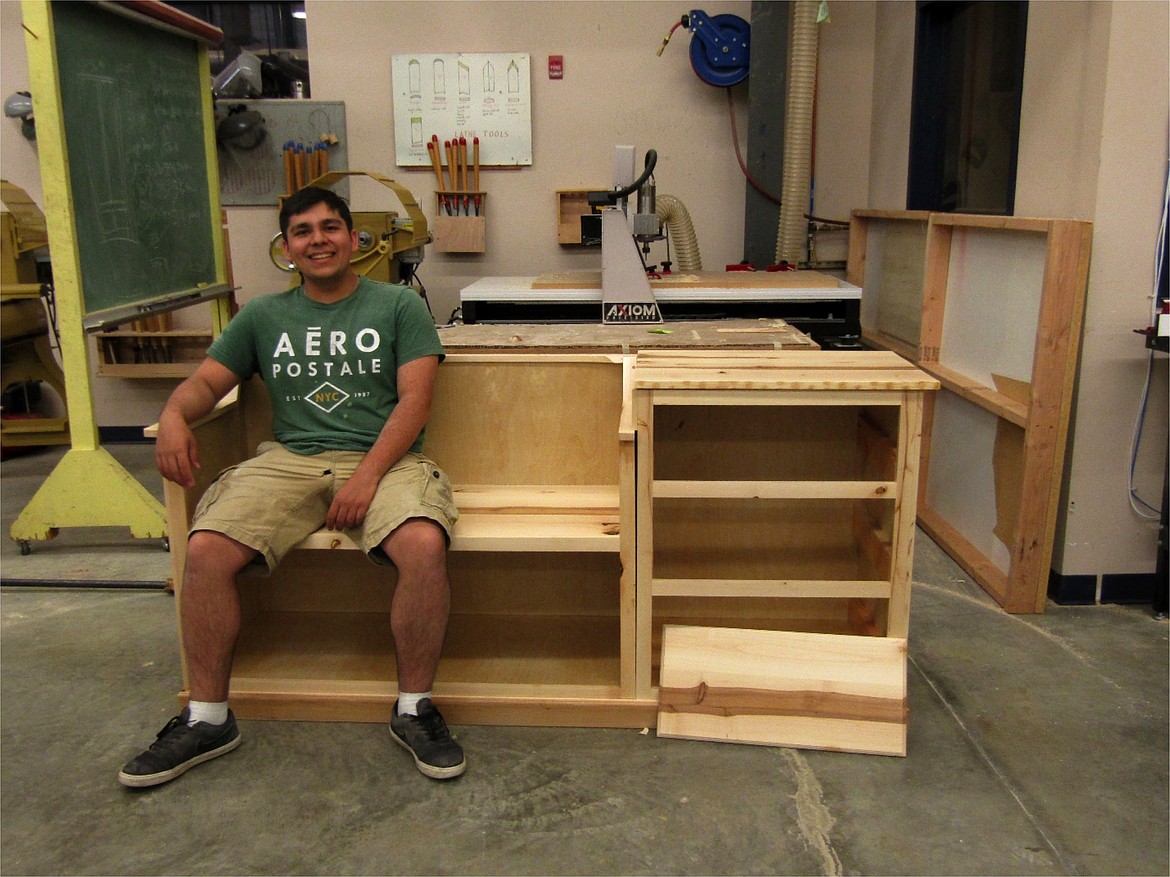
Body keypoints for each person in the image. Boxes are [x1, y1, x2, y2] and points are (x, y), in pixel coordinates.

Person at [118, 186, 464, 787]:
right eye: (303, 231)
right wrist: (173, 416)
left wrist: (365, 475)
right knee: (204, 550)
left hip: (384, 459)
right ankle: (207, 718)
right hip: (291, 461)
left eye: (331, 227)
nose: (318, 239)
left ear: (355, 239)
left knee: (423, 545)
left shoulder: (398, 307)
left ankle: (415, 708)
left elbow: (415, 402)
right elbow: (203, 385)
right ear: (287, 248)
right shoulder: (262, 316)